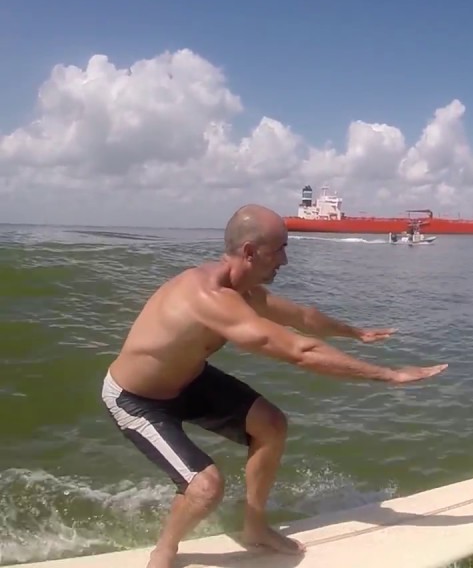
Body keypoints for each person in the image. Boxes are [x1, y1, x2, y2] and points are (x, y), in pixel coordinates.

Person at [100, 204, 447, 568]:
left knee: (271, 424)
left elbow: (301, 318)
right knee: (206, 487)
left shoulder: (243, 289)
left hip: (188, 379)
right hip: (137, 398)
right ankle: (165, 550)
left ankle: (255, 528)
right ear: (250, 252)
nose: (285, 259)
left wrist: (355, 332)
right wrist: (389, 375)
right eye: (280, 248)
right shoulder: (208, 298)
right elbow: (300, 351)